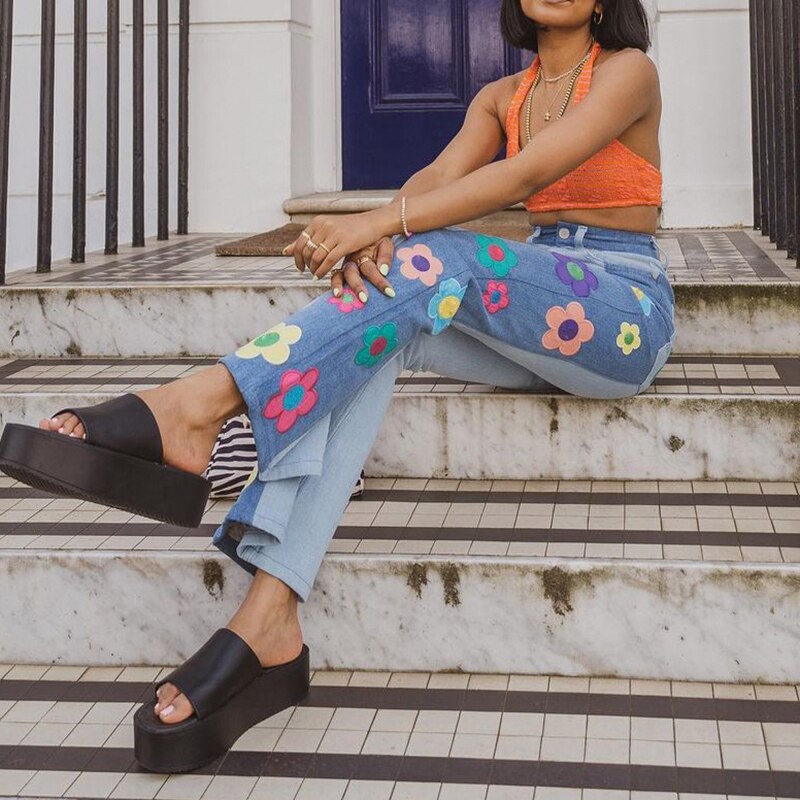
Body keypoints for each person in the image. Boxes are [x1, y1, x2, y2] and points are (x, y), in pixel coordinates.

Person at [1, 0, 677, 772]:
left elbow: (523, 176)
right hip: (538, 318)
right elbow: (435, 179)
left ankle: (203, 404)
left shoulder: (628, 72)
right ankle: (269, 619)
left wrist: (379, 226)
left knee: (437, 255)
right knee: (378, 322)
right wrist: (380, 235)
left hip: (620, 308)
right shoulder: (500, 98)